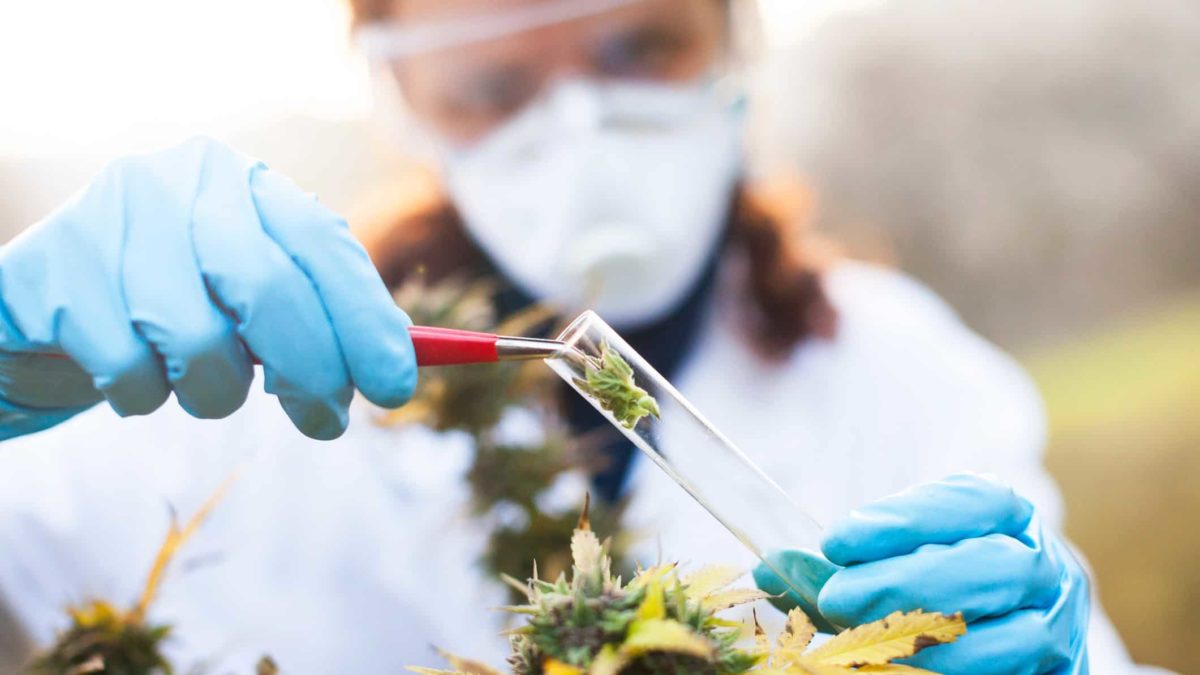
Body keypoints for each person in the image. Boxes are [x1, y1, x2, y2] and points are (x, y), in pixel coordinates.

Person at [0, 1, 1153, 673]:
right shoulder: (180, 390)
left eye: (639, 49)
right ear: (405, 102)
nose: (579, 125)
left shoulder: (905, 374)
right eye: (494, 80)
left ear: (730, 41)